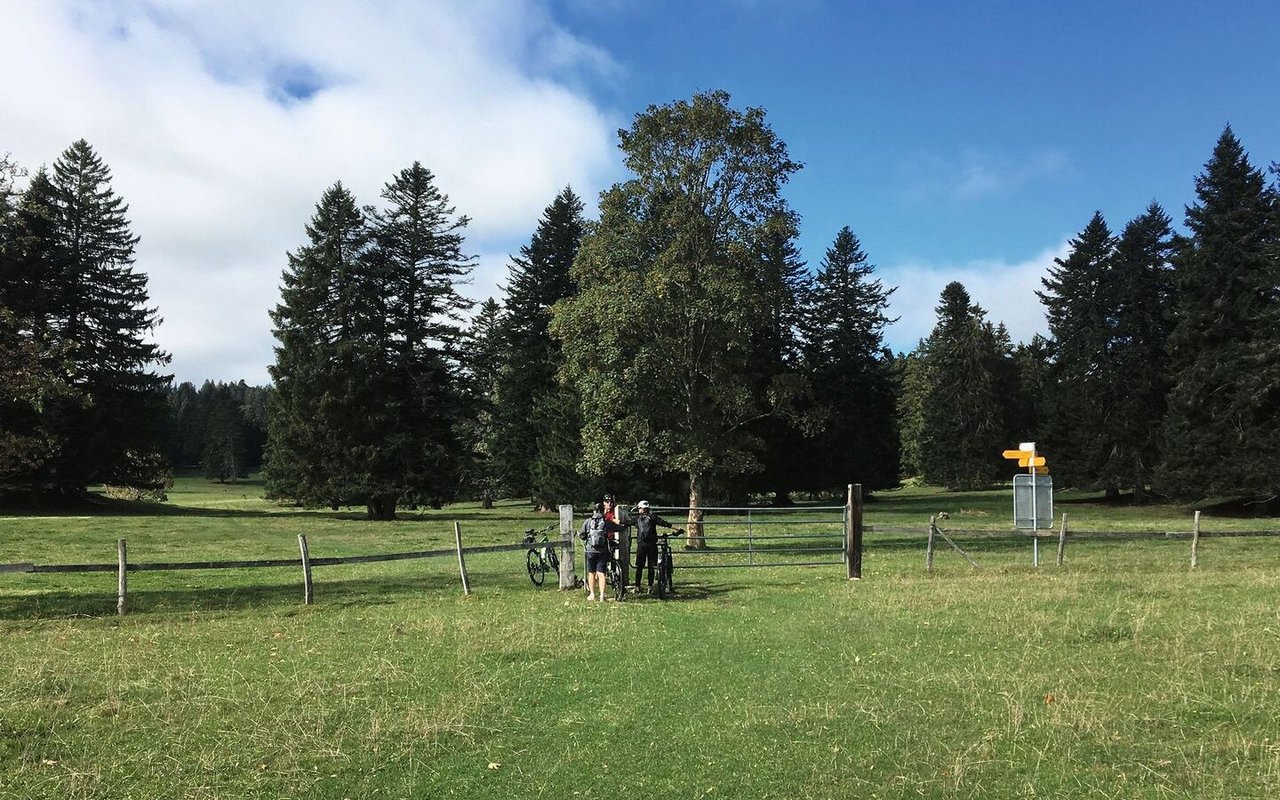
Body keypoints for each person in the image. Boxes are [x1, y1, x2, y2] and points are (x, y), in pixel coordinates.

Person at [580, 502, 625, 601]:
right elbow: (619, 528)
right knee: (601, 573)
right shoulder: (606, 522)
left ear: (594, 511)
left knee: (591, 572)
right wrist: (622, 524)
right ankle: (601, 595)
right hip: (603, 551)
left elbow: (582, 535)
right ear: (602, 511)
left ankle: (592, 594)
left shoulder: (588, 521)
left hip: (590, 550)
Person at [630, 500, 674, 591]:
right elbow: (664, 523)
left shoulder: (637, 519)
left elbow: (626, 523)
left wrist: (615, 521)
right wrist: (677, 528)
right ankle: (650, 587)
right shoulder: (653, 517)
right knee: (651, 566)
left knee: (639, 567)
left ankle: (637, 586)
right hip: (652, 545)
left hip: (641, 545)